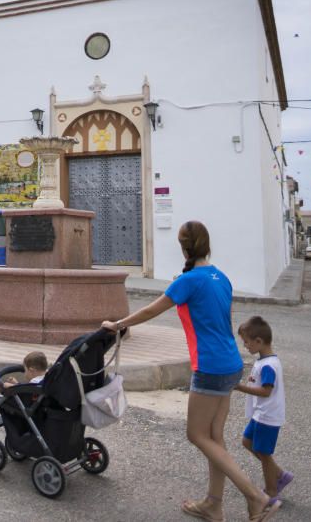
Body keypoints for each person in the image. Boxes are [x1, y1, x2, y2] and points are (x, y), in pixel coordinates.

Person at [102, 221, 280, 522]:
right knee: (214, 437)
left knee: (197, 434)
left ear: (184, 247)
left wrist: (117, 325)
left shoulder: (188, 281)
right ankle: (213, 504)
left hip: (210, 365)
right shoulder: (220, 277)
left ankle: (256, 496)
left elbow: (150, 310)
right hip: (231, 363)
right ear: (206, 245)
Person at [235, 316, 292, 506]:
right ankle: (280, 475)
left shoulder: (269, 366)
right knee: (247, 441)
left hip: (267, 416)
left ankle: (271, 491)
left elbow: (266, 391)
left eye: (247, 342)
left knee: (263, 452)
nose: (245, 346)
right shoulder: (263, 361)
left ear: (259, 341)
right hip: (261, 414)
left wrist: (240, 387)